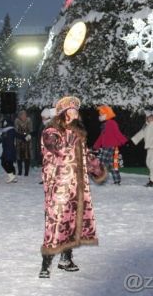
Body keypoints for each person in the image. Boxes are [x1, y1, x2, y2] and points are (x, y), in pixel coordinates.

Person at [39, 96, 103, 278]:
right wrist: (72, 146)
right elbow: (55, 149)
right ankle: (46, 263)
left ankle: (65, 259)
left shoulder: (77, 133)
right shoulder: (52, 131)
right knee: (56, 221)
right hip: (58, 185)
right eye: (71, 111)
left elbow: (84, 154)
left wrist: (96, 167)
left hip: (77, 186)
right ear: (62, 114)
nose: (75, 114)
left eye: (76, 111)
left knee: (73, 221)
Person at [92, 105, 128, 185]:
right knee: (111, 164)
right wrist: (96, 145)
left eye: (101, 114)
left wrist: (124, 141)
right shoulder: (104, 125)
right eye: (100, 114)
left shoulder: (112, 123)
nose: (100, 116)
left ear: (106, 114)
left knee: (102, 163)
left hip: (110, 147)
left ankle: (100, 179)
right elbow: (101, 137)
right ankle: (117, 180)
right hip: (106, 147)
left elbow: (117, 133)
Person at [14, 110, 33, 177]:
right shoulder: (17, 121)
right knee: (19, 157)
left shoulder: (29, 121)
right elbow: (16, 131)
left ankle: (26, 172)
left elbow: (31, 130)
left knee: (26, 156)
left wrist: (28, 136)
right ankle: (19, 171)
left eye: (25, 115)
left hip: (27, 141)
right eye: (22, 115)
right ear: (20, 115)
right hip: (19, 141)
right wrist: (21, 136)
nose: (24, 116)